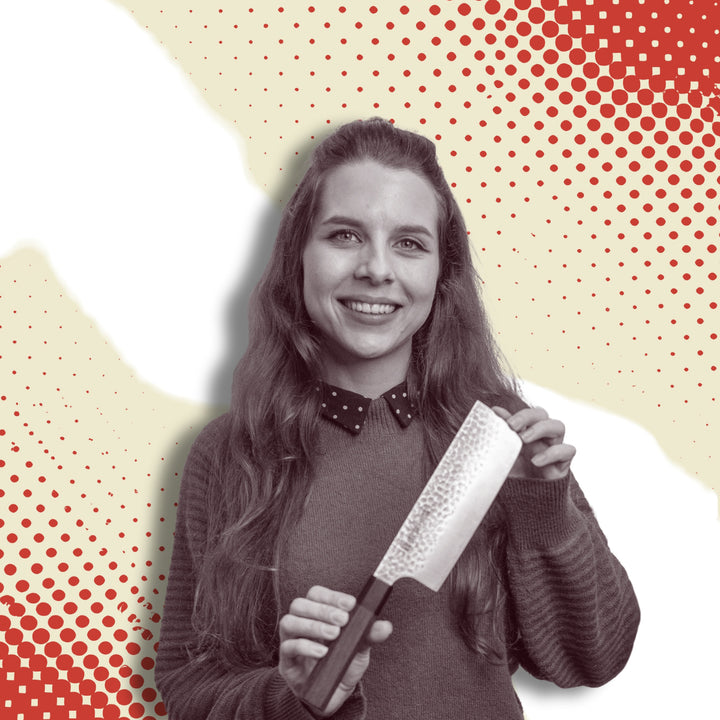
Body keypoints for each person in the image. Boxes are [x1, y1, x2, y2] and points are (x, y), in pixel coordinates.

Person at [155, 118, 640, 719]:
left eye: (409, 243)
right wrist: (294, 698)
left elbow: (596, 658)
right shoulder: (230, 452)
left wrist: (543, 513)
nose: (376, 269)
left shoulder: (498, 438)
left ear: (441, 273)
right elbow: (187, 687)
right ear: (298, 256)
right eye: (345, 235)